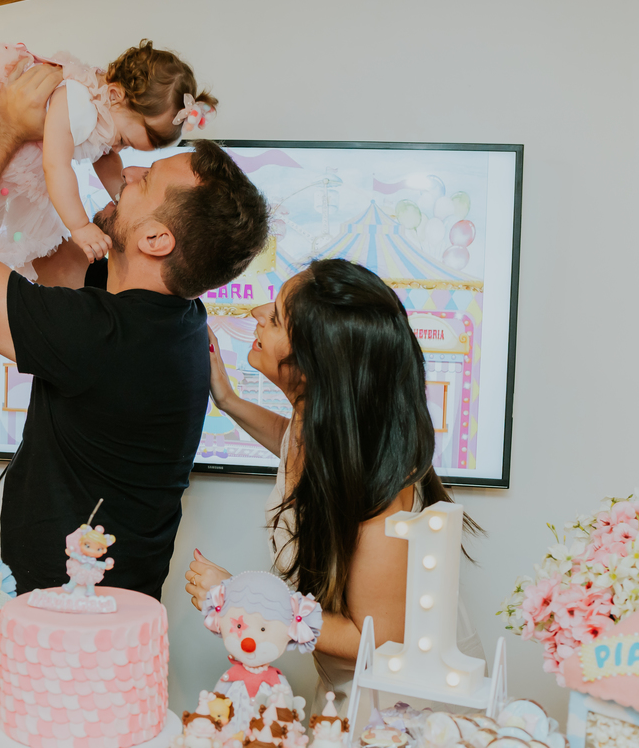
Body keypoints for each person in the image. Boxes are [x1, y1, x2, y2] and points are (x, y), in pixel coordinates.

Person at [0, 59, 269, 599]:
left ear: (156, 241)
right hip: (110, 607)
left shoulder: (102, 336)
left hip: (68, 620)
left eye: (147, 181)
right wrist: (57, 130)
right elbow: (53, 254)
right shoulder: (169, 319)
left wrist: (3, 132)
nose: (130, 173)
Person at [184, 259, 483, 716]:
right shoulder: (324, 431)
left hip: (393, 711)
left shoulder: (381, 498)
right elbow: (292, 444)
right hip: (346, 687)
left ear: (311, 365)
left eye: (276, 317)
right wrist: (228, 400)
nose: (256, 314)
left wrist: (244, 601)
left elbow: (373, 638)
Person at [0, 39, 217, 347]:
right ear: (114, 96)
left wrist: (122, 196)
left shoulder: (108, 113)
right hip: (14, 152)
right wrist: (80, 226)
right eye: (125, 139)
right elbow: (56, 166)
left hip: (24, 155)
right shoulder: (78, 104)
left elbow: (107, 157)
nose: (120, 149)